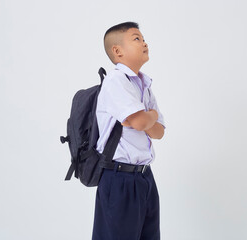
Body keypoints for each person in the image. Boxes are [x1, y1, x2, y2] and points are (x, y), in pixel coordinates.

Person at [92, 21, 166, 240]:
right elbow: (143, 123)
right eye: (137, 38)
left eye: (143, 39)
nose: (144, 43)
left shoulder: (143, 84)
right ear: (117, 51)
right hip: (119, 179)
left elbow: (159, 132)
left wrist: (145, 118)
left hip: (145, 178)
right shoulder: (116, 81)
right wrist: (148, 116)